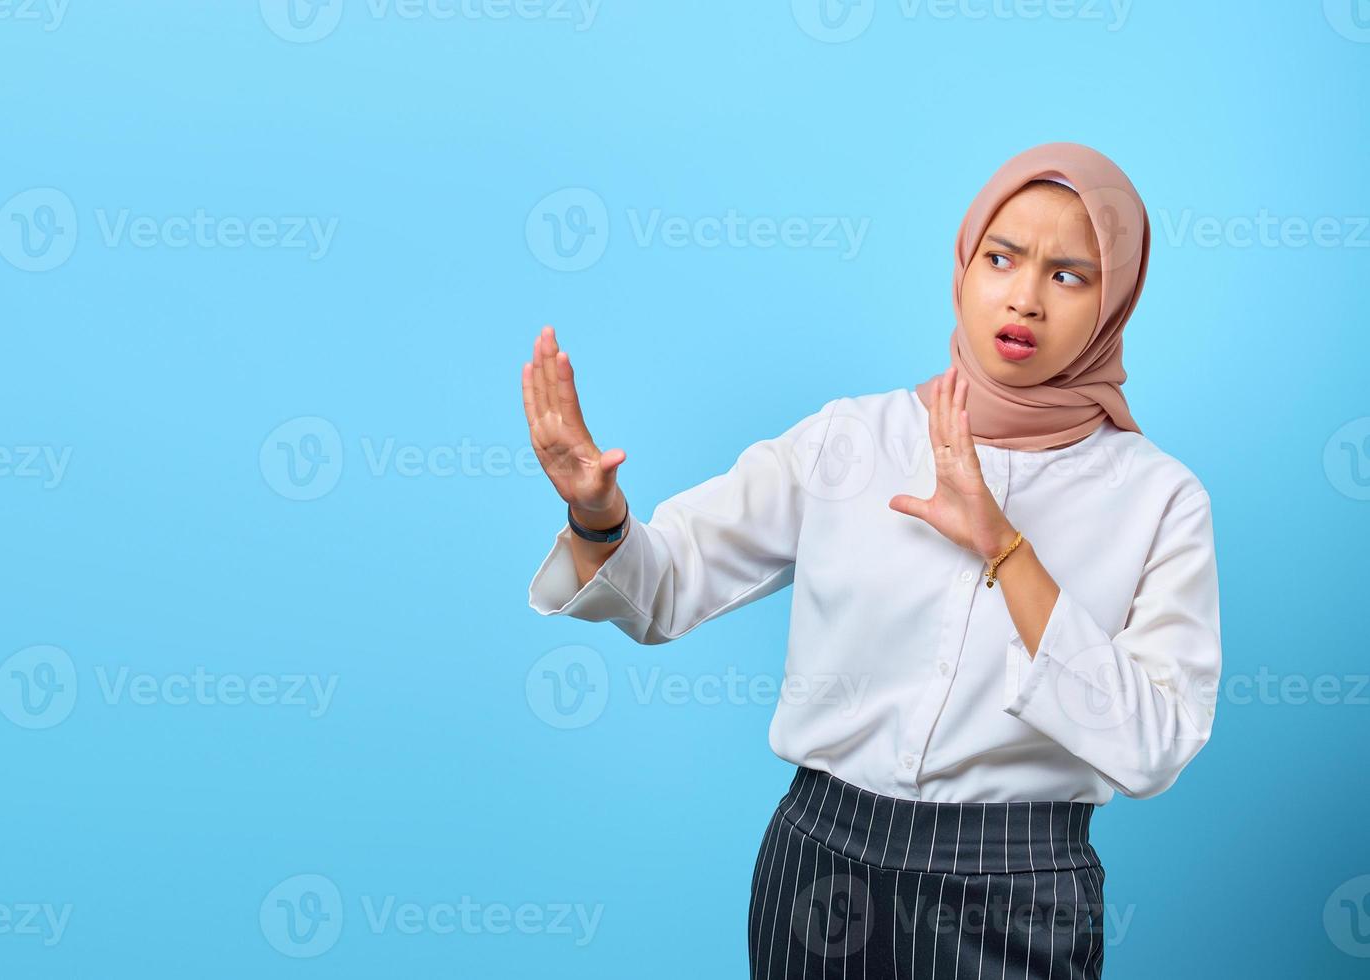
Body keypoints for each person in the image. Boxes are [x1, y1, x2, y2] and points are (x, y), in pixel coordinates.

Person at [520, 142, 1221, 980]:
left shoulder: (1158, 498)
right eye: (1000, 259)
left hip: (1018, 886)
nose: (1024, 298)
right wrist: (597, 517)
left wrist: (1004, 548)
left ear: (1116, 301)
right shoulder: (850, 439)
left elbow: (1154, 745)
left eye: (1068, 275)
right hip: (820, 864)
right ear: (963, 267)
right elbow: (664, 586)